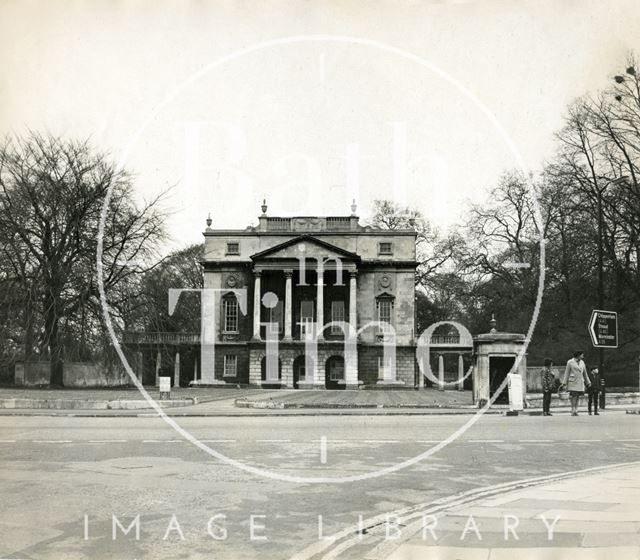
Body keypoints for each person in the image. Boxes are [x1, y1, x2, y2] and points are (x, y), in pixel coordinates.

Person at [562, 351, 591, 416]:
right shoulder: (570, 362)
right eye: (582, 355)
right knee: (574, 396)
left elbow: (585, 373)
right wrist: (564, 383)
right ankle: (573, 410)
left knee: (577, 396)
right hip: (573, 382)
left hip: (580, 382)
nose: (583, 356)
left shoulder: (582, 362)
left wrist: (588, 382)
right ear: (578, 355)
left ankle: (576, 409)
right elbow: (567, 373)